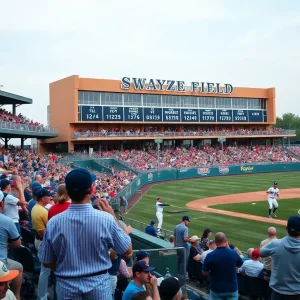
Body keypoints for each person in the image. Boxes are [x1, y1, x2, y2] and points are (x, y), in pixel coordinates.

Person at [39, 168, 133, 300]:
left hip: (66, 286)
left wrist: (69, 269)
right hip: (99, 286)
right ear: (91, 190)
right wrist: (113, 217)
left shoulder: (53, 223)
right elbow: (128, 250)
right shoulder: (106, 219)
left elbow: (47, 262)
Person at [260, 216, 300, 298]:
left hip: (277, 293)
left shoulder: (275, 244)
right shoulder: (276, 244)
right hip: (296, 293)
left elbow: (261, 253)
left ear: (286, 228)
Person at [202, 232, 243, 300]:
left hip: (216, 289)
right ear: (226, 241)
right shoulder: (233, 253)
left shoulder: (210, 255)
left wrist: (212, 272)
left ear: (215, 242)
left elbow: (204, 272)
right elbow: (240, 264)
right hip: (231, 289)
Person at [0, 191, 23, 300]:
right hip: (1, 262)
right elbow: (18, 244)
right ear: (2, 204)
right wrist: (8, 244)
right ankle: (16, 295)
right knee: (19, 267)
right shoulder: (6, 221)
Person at [31, 188, 52, 300]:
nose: (50, 197)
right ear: (43, 198)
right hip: (43, 241)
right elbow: (45, 232)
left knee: (45, 270)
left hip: (38, 240)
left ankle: (42, 293)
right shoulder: (42, 211)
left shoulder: (36, 207)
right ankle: (42, 296)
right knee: (45, 270)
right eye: (48, 196)